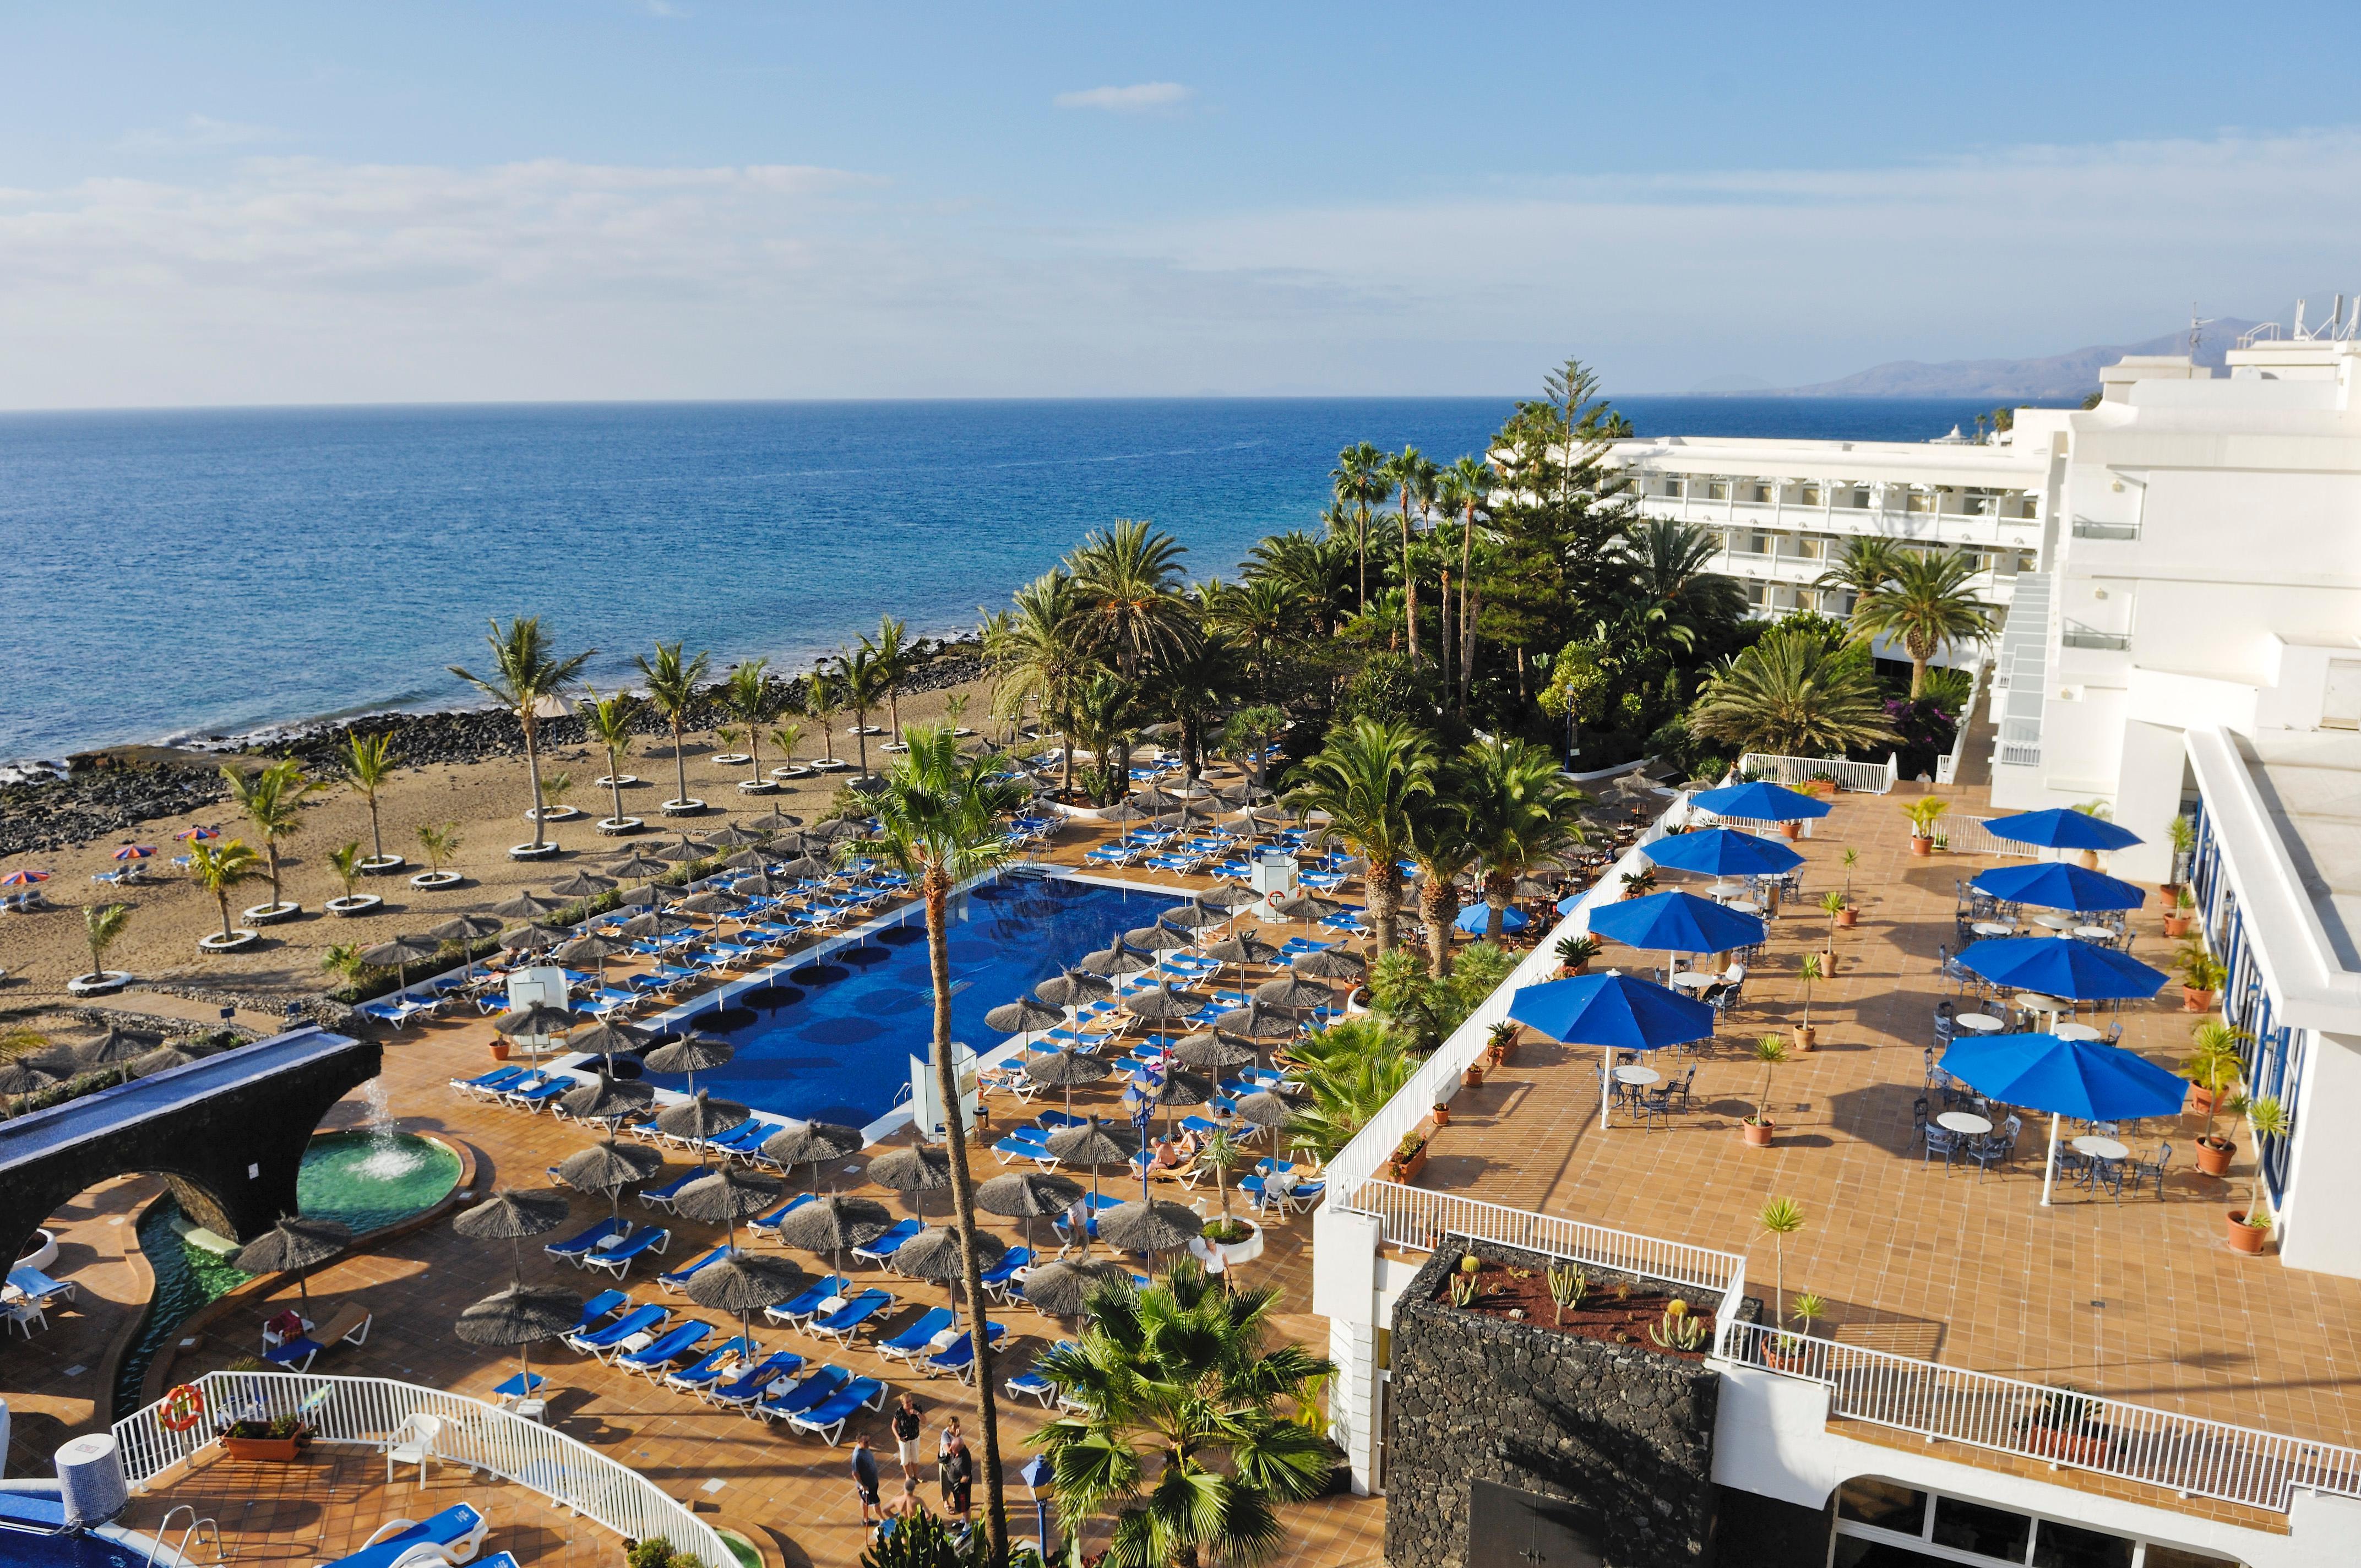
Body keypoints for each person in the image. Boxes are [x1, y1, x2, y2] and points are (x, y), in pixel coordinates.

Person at [941, 1434, 973, 1525]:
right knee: (961, 1506)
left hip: (962, 1489)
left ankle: (967, 1525)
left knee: (965, 1507)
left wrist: (957, 1484)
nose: (951, 1449)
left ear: (958, 1449)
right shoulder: (958, 1451)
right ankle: (964, 1520)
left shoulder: (963, 1461)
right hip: (956, 1488)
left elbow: (966, 1477)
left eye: (953, 1448)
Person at [890, 1392, 924, 1478]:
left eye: (910, 1401)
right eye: (907, 1402)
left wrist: (917, 1413)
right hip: (904, 1439)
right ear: (903, 1403)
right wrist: (898, 1438)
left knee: (915, 1458)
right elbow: (894, 1426)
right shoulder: (900, 1412)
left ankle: (916, 1475)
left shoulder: (917, 1408)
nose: (910, 1403)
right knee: (905, 1459)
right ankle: (908, 1475)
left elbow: (924, 1421)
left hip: (915, 1437)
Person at [850, 1435, 882, 1524]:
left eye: (869, 1441)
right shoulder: (857, 1457)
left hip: (873, 1481)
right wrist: (863, 1486)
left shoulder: (866, 1449)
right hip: (867, 1485)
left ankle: (865, 1519)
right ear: (859, 1442)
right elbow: (855, 1474)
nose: (868, 1444)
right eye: (866, 1442)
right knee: (877, 1503)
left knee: (864, 1501)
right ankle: (883, 1519)